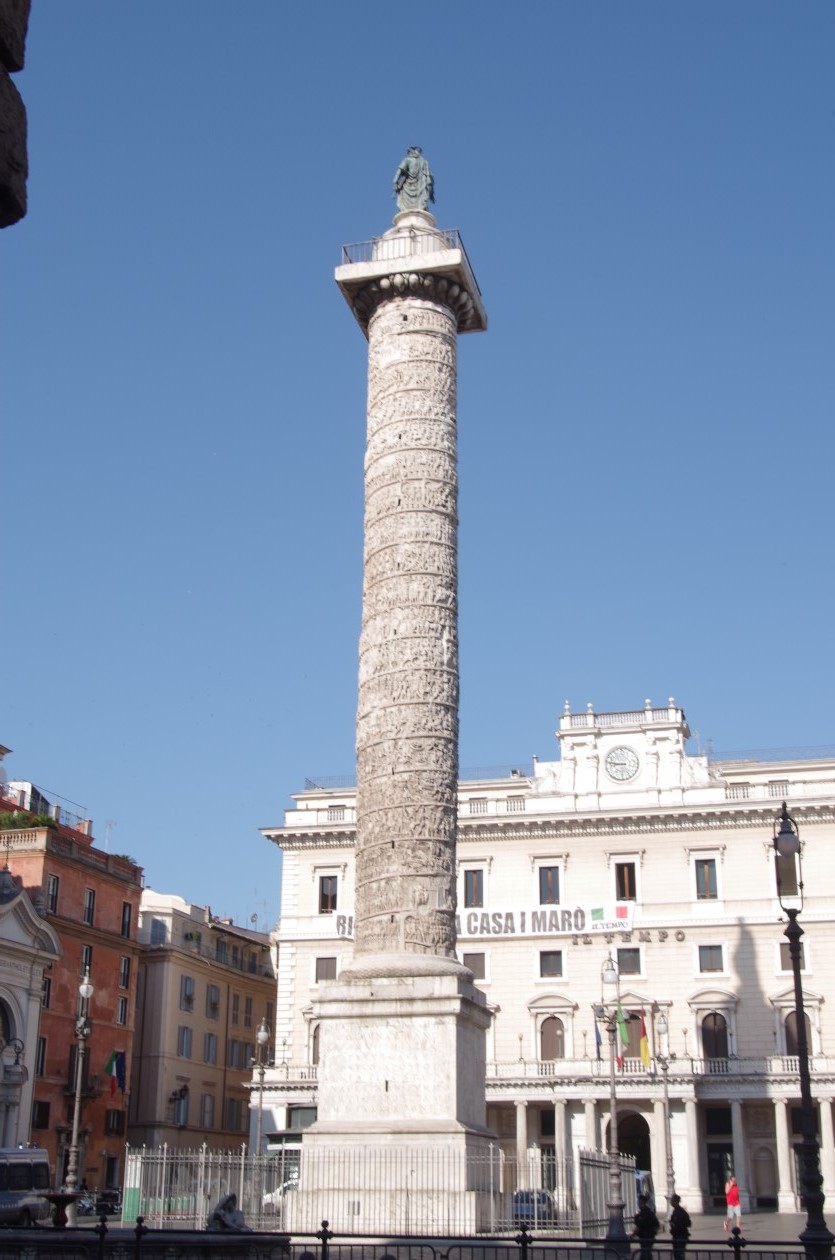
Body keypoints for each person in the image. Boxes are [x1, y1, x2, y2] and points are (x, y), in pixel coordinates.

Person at [632, 1193, 660, 1260]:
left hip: (645, 1237)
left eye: (638, 1201)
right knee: (648, 1254)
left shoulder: (643, 1214)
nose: (638, 1203)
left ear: (641, 1202)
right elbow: (657, 1225)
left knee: (644, 1255)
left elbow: (638, 1227)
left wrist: (632, 1236)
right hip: (650, 1237)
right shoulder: (650, 1212)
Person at [669, 1193, 691, 1260]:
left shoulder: (679, 1212)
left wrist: (674, 1225)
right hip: (679, 1236)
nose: (671, 1202)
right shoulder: (679, 1211)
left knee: (679, 1255)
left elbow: (687, 1223)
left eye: (672, 1200)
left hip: (680, 1236)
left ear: (675, 1201)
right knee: (678, 1255)